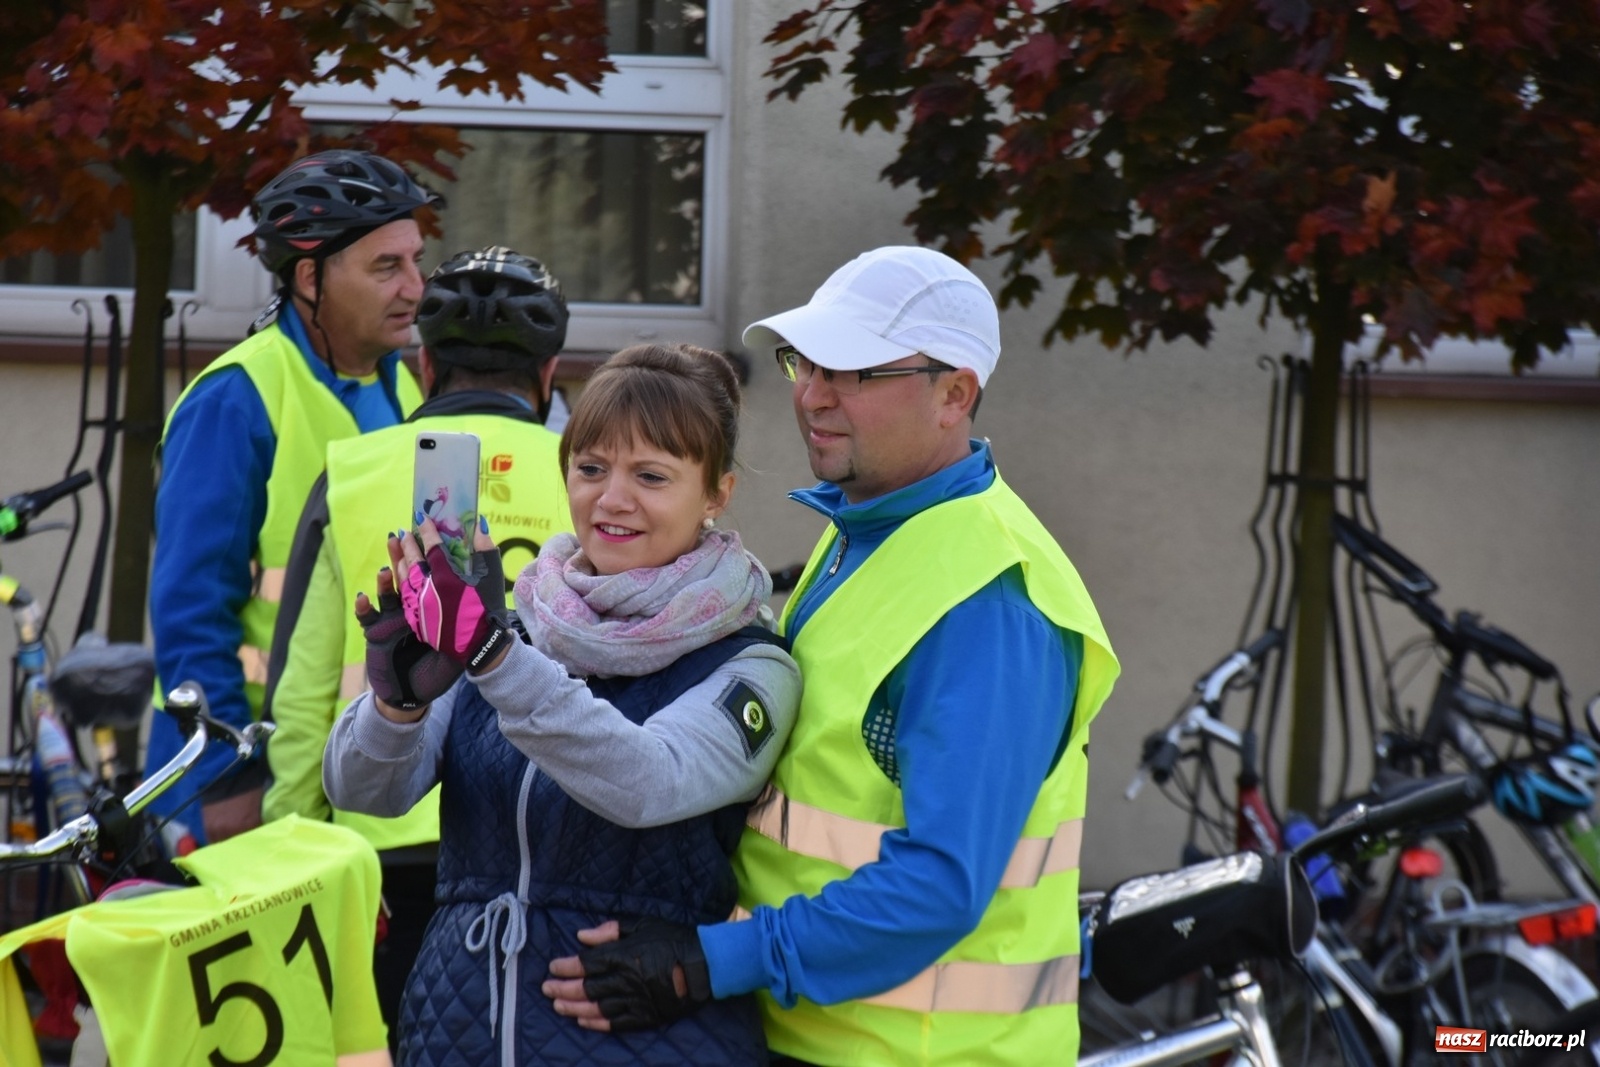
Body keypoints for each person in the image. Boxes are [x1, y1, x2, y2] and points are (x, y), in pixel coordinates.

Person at [542, 246, 1122, 1067]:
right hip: (822, 1035)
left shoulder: (993, 598)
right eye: (805, 361)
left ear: (955, 392)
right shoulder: (869, 530)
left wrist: (713, 960)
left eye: (852, 371)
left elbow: (940, 884)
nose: (811, 395)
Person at [323, 342, 802, 1066]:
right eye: (590, 468)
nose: (612, 499)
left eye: (651, 475)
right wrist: (394, 707)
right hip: (455, 1032)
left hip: (647, 1036)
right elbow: (363, 791)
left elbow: (651, 780)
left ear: (716, 493)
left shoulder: (751, 660)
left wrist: (494, 660)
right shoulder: (518, 625)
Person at [261, 245, 574, 1044]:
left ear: (425, 363)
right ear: (549, 375)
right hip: (552, 846)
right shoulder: (598, 474)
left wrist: (288, 853)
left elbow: (298, 696)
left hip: (381, 850)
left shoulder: (355, 472)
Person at [147, 149, 441, 845]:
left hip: (341, 779)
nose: (415, 288)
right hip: (237, 778)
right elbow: (191, 609)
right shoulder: (236, 399)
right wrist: (226, 783)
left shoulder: (402, 389)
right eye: (385, 267)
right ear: (310, 276)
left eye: (415, 261)